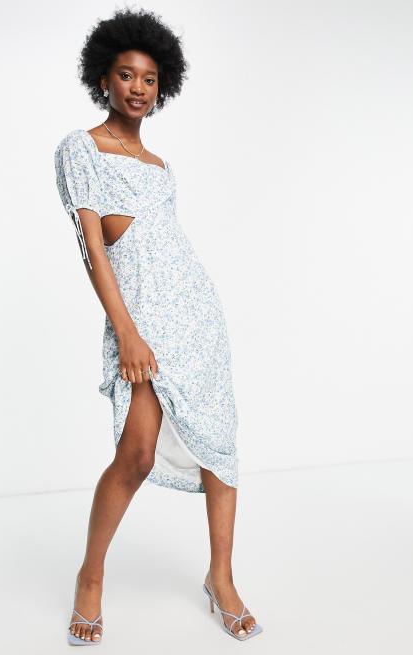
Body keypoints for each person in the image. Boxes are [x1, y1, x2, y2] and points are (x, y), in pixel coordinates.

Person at [54, 7, 262, 645]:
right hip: (141, 319)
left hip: (196, 315)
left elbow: (169, 248)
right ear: (104, 78)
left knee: (219, 448)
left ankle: (221, 578)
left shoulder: (162, 166)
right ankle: (90, 576)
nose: (138, 88)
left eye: (149, 79)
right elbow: (93, 250)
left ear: (161, 86)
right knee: (136, 455)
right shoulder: (81, 149)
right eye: (126, 75)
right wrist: (127, 331)